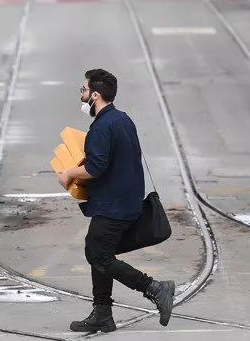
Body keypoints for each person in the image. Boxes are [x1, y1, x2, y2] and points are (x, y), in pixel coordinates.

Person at [57, 69, 175, 333]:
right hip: (127, 201)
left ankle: (156, 288)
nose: (82, 94)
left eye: (84, 90)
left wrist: (70, 173)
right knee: (99, 252)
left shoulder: (101, 126)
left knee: (97, 253)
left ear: (95, 95)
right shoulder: (122, 119)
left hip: (113, 205)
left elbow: (96, 167)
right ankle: (102, 314)